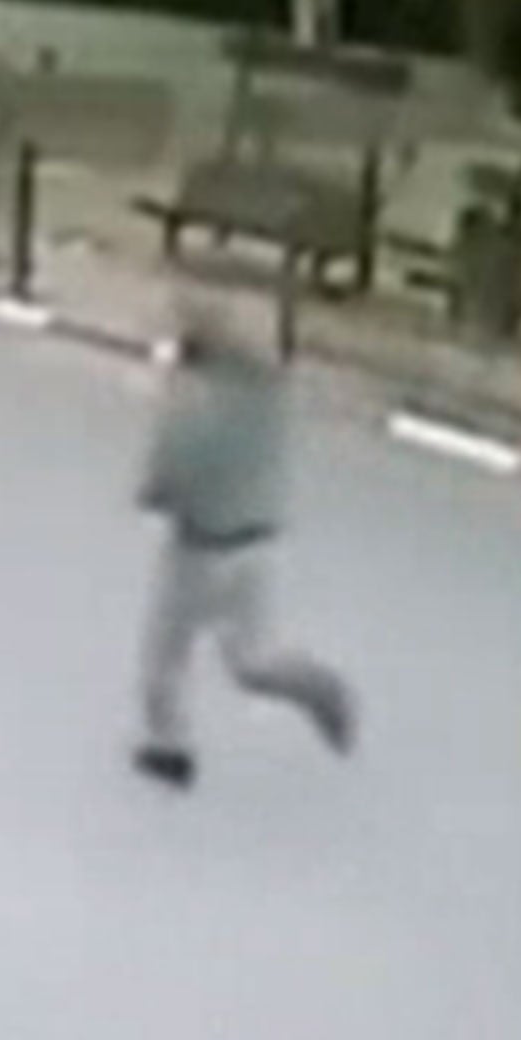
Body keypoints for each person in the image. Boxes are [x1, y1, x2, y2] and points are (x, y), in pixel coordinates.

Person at [133, 302, 356, 790]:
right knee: (253, 660)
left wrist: (155, 491)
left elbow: (175, 463)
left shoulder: (195, 398)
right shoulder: (270, 393)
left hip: (200, 543)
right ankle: (316, 686)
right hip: (256, 542)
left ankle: (168, 749)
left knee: (165, 654)